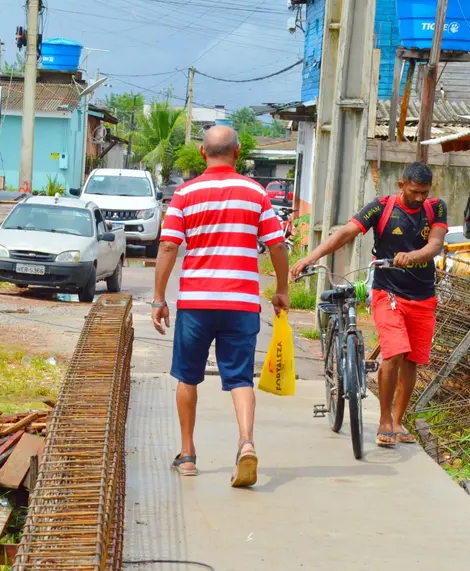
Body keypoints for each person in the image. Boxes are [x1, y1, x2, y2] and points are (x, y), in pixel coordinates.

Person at [152, 126, 290, 488]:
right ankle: (246, 442)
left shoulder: (184, 194)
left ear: (202, 152)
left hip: (196, 303)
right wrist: (283, 289)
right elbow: (277, 245)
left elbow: (168, 247)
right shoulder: (256, 193)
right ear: (238, 151)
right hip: (241, 303)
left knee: (187, 375)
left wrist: (158, 298)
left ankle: (187, 456)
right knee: (241, 378)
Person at [290, 162, 448, 447]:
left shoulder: (436, 208)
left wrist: (412, 257)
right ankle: (384, 420)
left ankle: (399, 422)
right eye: (415, 192)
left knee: (413, 360)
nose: (420, 198)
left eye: (424, 192)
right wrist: (310, 258)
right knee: (395, 352)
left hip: (424, 295)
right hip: (388, 292)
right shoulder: (381, 207)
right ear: (402, 185)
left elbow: (435, 245)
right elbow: (346, 233)